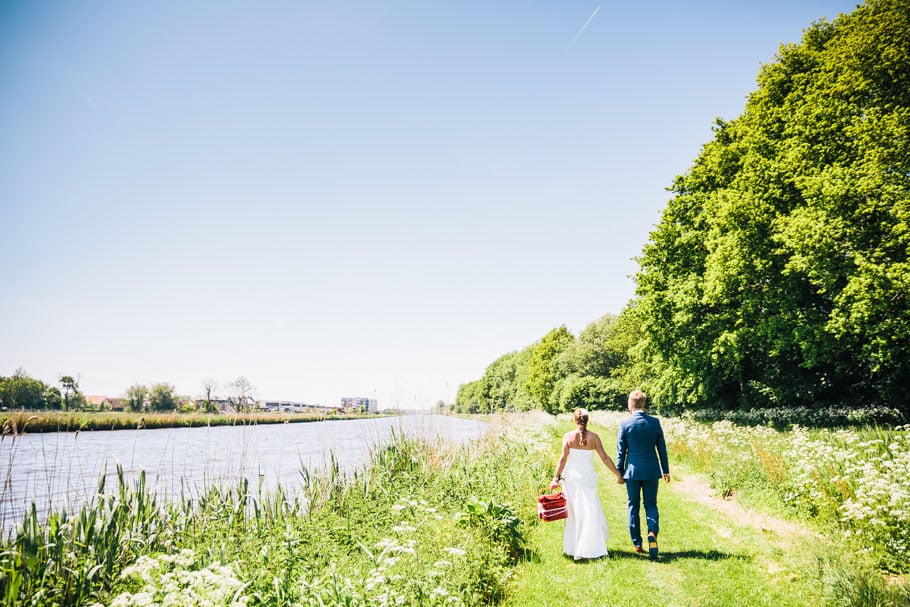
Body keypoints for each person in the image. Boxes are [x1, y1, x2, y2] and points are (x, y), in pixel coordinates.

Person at [550, 408, 625, 560]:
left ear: (575, 420)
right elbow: (605, 458)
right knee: (590, 509)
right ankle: (591, 546)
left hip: (572, 478)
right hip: (588, 477)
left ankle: (576, 547)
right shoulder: (594, 438)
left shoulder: (568, 437)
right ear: (587, 420)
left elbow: (563, 460)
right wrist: (618, 474)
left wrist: (555, 479)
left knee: (575, 513)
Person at [616, 390, 670, 560]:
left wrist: (619, 471)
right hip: (652, 470)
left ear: (631, 404)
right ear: (644, 404)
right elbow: (661, 447)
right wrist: (666, 470)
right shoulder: (654, 422)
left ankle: (637, 543)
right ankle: (652, 532)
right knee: (651, 504)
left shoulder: (625, 424)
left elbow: (621, 451)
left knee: (633, 506)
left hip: (632, 472)